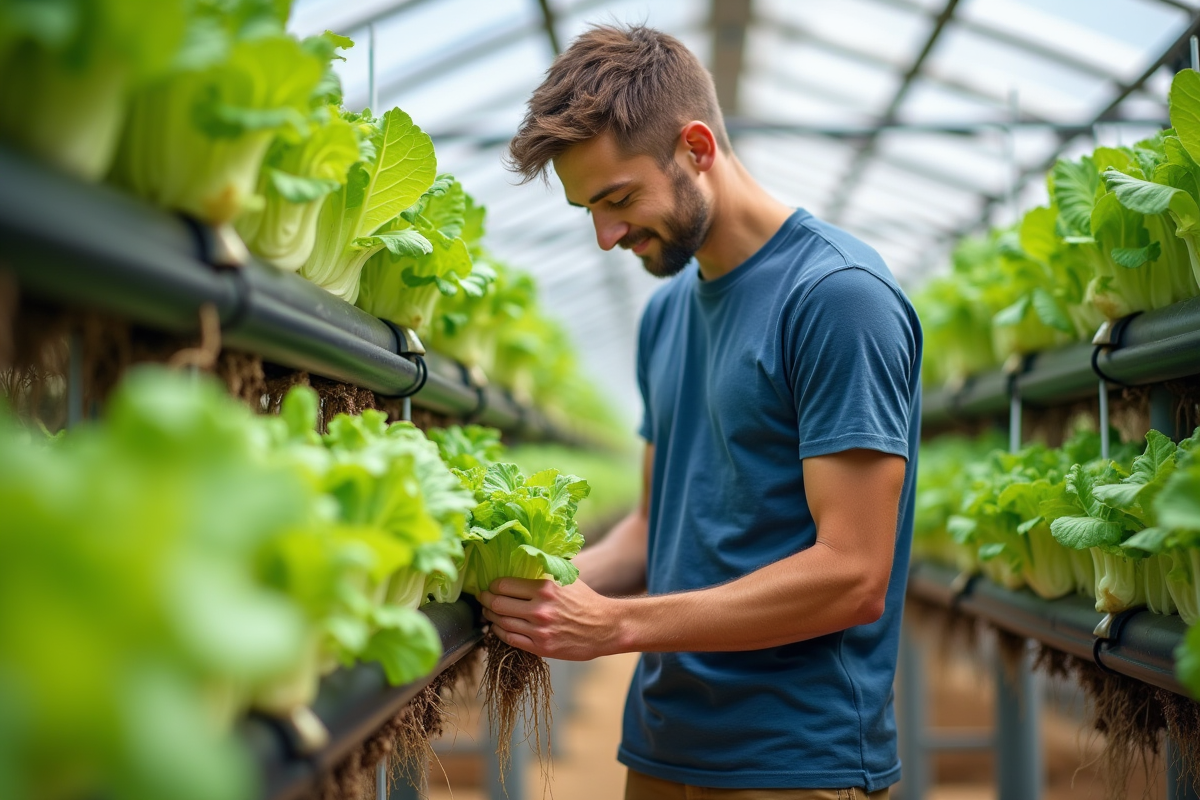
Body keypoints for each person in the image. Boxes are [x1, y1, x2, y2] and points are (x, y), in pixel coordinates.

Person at [480, 23, 921, 800]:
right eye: (589, 209)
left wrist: (617, 627)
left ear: (696, 147)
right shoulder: (668, 314)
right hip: (663, 747)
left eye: (618, 199)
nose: (606, 235)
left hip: (793, 762)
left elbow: (853, 574)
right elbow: (655, 528)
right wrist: (542, 588)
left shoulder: (838, 299)